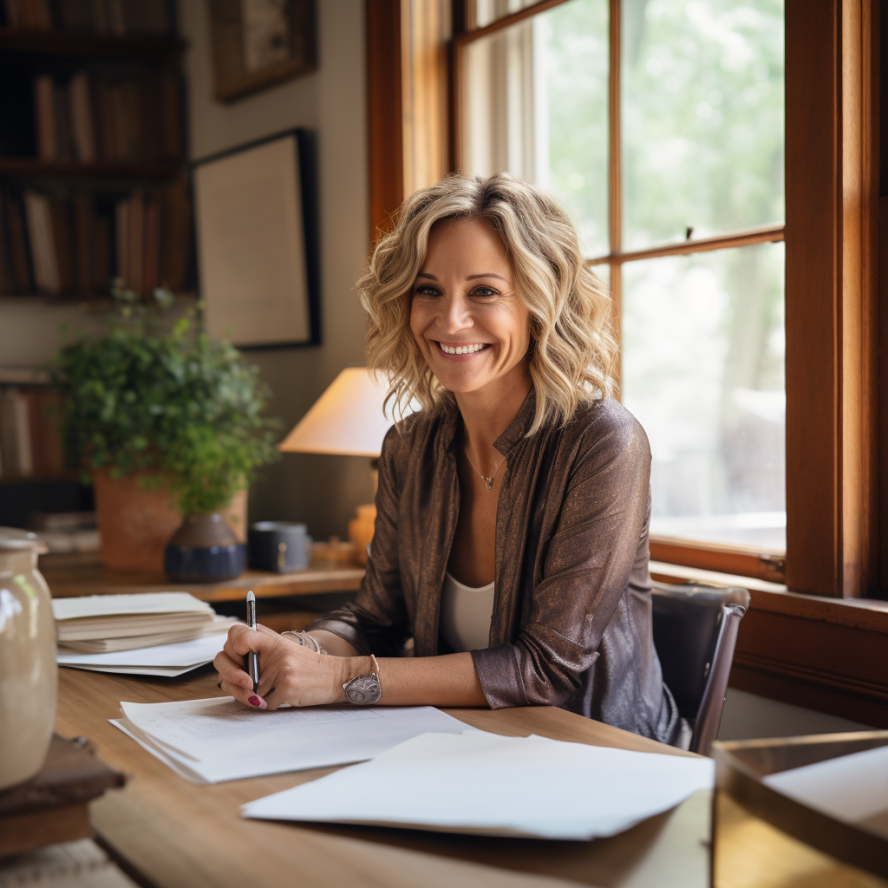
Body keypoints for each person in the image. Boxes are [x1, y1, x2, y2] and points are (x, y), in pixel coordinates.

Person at [215, 172, 679, 744]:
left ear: (540, 302)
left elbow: (546, 668)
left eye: (484, 291)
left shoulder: (605, 442)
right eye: (428, 289)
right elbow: (373, 619)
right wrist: (295, 652)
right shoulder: (410, 447)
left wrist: (337, 677)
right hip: (457, 748)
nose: (449, 319)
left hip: (598, 756)